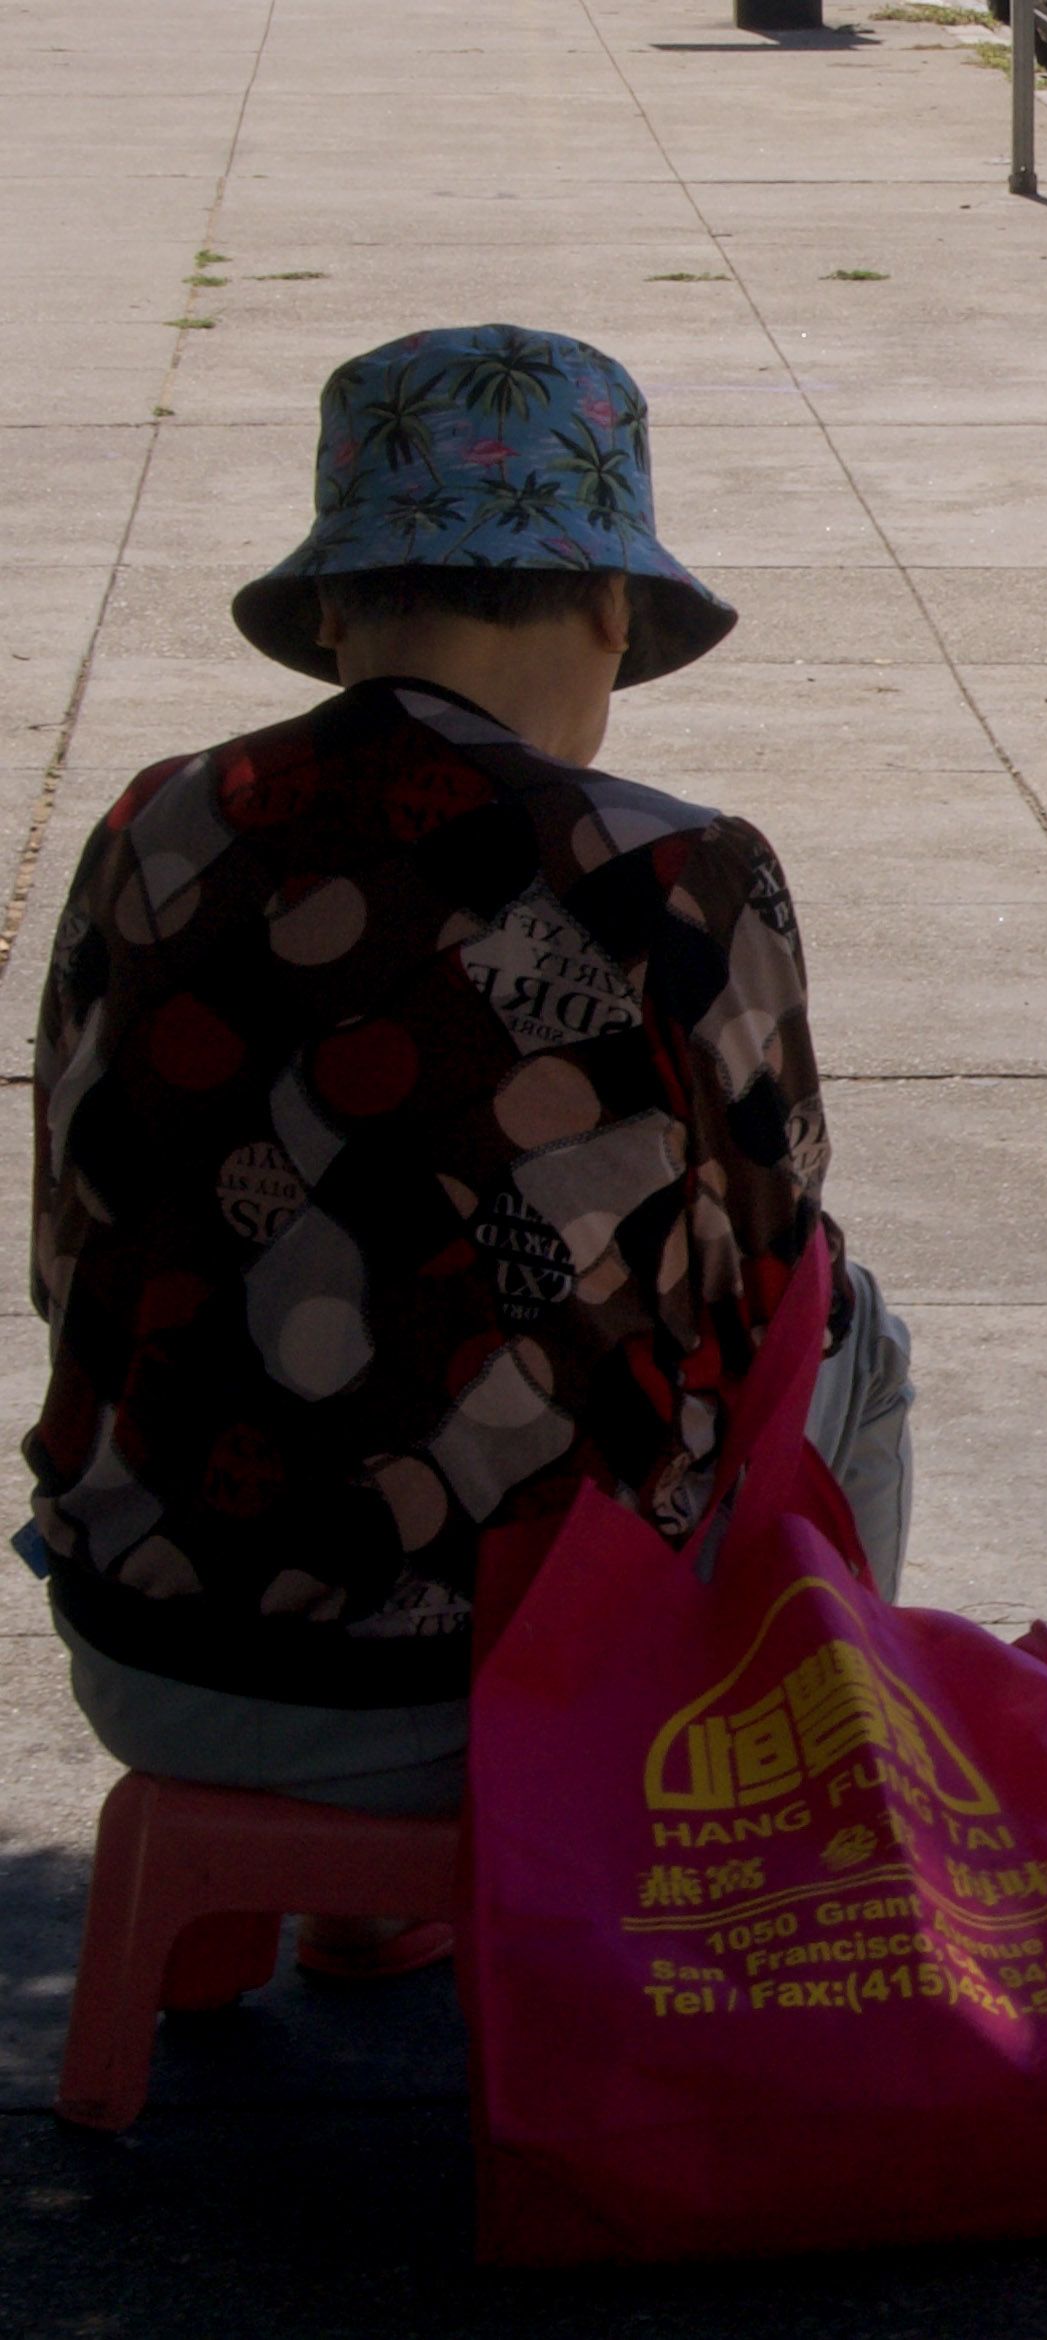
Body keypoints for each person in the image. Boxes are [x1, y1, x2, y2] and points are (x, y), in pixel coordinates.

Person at [23, 325, 911, 1977]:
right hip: (494, 1681)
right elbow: (772, 1259)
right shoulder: (669, 869)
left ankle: (332, 1902)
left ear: (340, 616)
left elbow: (60, 1240)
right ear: (610, 612)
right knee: (857, 1328)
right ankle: (798, 1803)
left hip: (147, 1645)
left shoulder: (153, 821)